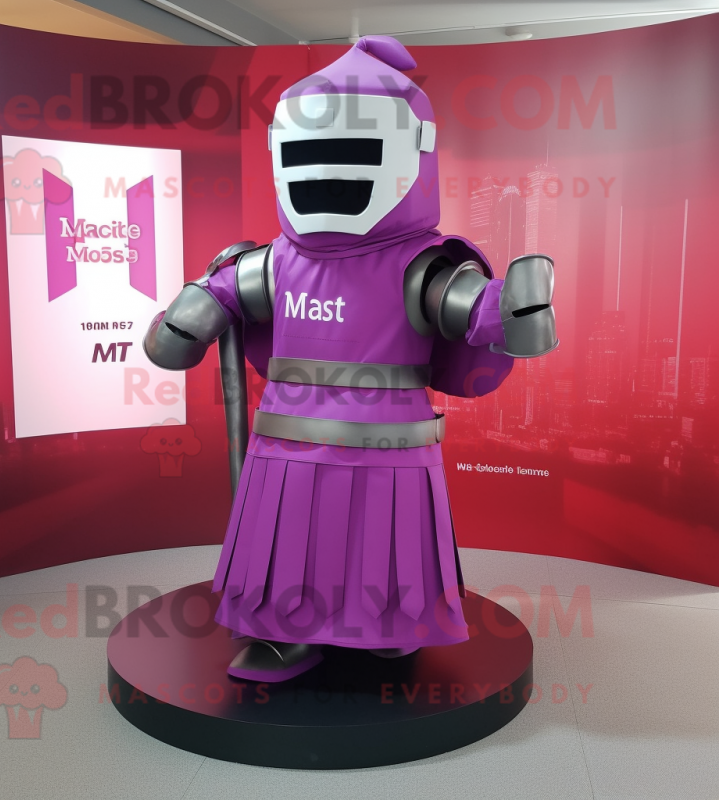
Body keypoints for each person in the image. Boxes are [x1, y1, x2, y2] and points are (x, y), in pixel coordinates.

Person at [144, 35, 557, 682]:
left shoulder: (422, 263)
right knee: (290, 542)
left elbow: (480, 314)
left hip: (389, 448)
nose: (327, 168)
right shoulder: (274, 262)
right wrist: (189, 316)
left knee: (382, 547)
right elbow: (194, 318)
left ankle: (389, 625)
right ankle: (283, 633)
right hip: (286, 450)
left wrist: (514, 310)